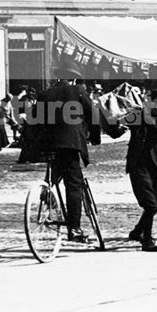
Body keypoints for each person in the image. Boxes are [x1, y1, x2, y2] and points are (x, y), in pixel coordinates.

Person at [36, 65, 121, 243]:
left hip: (48, 145)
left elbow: (35, 120)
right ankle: (74, 228)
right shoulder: (77, 91)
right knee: (73, 185)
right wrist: (96, 138)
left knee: (52, 177)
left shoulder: (45, 94)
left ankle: (47, 197)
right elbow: (93, 115)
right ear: (74, 79)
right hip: (70, 144)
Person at [125, 89, 157, 252]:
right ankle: (147, 240)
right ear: (151, 101)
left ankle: (137, 231)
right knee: (151, 204)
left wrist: (152, 115)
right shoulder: (137, 114)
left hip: (153, 165)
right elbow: (122, 123)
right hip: (138, 165)